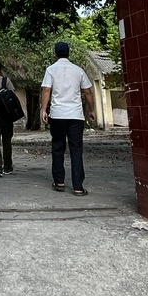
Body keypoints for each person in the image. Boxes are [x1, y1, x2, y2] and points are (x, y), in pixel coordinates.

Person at [40, 41, 96, 196]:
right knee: (76, 149)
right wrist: (92, 110)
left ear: (55, 53)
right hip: (76, 116)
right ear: (68, 53)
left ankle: (59, 182)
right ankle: (78, 187)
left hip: (57, 115)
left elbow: (46, 89)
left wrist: (44, 109)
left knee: (58, 147)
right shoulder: (78, 70)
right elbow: (88, 92)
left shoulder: (51, 69)